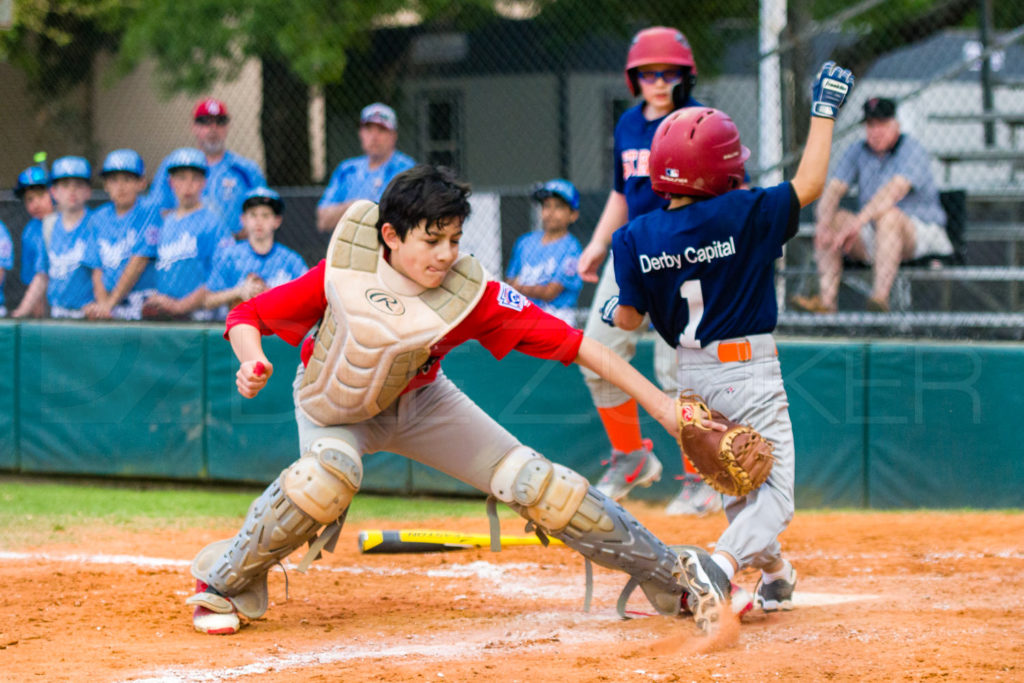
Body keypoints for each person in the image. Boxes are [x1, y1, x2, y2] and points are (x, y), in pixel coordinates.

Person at [185, 164, 731, 637]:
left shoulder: (472, 294)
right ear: (391, 236)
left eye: (455, 239)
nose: (447, 254)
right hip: (335, 409)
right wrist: (251, 359)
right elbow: (246, 316)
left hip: (423, 403)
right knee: (323, 479)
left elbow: (578, 346)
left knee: (544, 486)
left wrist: (662, 407)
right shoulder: (347, 269)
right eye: (432, 240)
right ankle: (225, 580)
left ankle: (675, 580)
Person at [604, 63, 855, 612]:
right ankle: (719, 567)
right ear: (719, 169)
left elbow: (627, 320)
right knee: (775, 496)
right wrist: (824, 111)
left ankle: (779, 576)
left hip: (691, 381)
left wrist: (610, 303)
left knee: (742, 482)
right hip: (749, 371)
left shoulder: (634, 236)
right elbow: (810, 184)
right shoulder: (744, 211)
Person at [575, 26, 720, 515]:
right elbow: (622, 193)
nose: (659, 82)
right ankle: (631, 456)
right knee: (596, 351)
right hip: (630, 251)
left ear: (686, 77)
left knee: (674, 369)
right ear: (634, 78)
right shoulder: (628, 126)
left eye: (669, 73)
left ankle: (701, 477)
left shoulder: (702, 122)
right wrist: (597, 244)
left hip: (681, 256)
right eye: (649, 74)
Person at [791, 97, 952, 313]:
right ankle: (826, 303)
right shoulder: (857, 150)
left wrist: (856, 223)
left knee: (889, 217)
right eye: (870, 125)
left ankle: (879, 300)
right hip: (876, 233)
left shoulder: (912, 149)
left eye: (882, 124)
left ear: (896, 125)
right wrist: (823, 223)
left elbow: (892, 193)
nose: (875, 131)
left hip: (922, 232)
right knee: (835, 219)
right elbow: (833, 190)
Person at [148, 98, 266, 237]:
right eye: (205, 122)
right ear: (193, 127)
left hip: (234, 249)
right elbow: (157, 210)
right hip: (184, 248)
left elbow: (265, 215)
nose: (213, 128)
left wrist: (230, 239)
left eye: (220, 121)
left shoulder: (246, 169)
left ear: (227, 126)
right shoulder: (173, 165)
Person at [143, 148, 234, 321]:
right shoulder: (166, 223)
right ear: (171, 182)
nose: (188, 185)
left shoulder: (213, 222)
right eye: (181, 178)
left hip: (203, 315)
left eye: (195, 178)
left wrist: (181, 306)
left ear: (204, 183)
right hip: (168, 313)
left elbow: (221, 275)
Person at [205, 187, 308, 317]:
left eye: (265, 215)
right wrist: (239, 291)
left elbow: (308, 299)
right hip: (237, 328)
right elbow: (208, 300)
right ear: (243, 220)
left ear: (277, 221)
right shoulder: (228, 256)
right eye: (253, 214)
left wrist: (273, 295)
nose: (259, 221)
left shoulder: (291, 260)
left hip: (279, 330)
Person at [83, 149, 161, 321]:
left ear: (141, 183)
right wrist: (104, 305)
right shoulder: (98, 218)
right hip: (110, 300)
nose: (120, 187)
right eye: (114, 180)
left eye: (127, 179)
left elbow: (138, 263)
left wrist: (109, 305)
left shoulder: (148, 212)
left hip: (143, 301)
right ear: (106, 185)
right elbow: (97, 269)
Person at [315, 103, 416, 232]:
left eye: (381, 130)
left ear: (393, 136)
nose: (374, 137)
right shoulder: (347, 170)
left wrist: (348, 212)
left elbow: (409, 216)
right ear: (360, 134)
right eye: (368, 129)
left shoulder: (407, 170)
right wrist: (356, 207)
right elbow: (323, 220)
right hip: (347, 248)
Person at [505, 179, 583, 325]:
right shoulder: (525, 242)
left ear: (573, 214)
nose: (551, 212)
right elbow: (509, 283)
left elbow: (550, 293)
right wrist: (522, 287)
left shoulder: (572, 248)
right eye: (546, 206)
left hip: (557, 318)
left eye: (559, 207)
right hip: (524, 315)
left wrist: (519, 286)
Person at [44, 156, 99, 319]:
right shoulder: (49, 225)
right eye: (65, 185)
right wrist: (23, 311)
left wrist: (103, 304)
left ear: (88, 191)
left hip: (88, 314)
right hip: (57, 312)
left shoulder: (96, 223)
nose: (72, 191)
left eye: (79, 185)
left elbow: (103, 271)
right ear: (54, 192)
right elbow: (42, 275)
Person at [10, 166, 53, 319]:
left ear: (54, 193)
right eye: (29, 199)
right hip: (44, 305)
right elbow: (32, 277)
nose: (35, 204)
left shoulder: (67, 223)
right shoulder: (29, 231)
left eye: (41, 195)